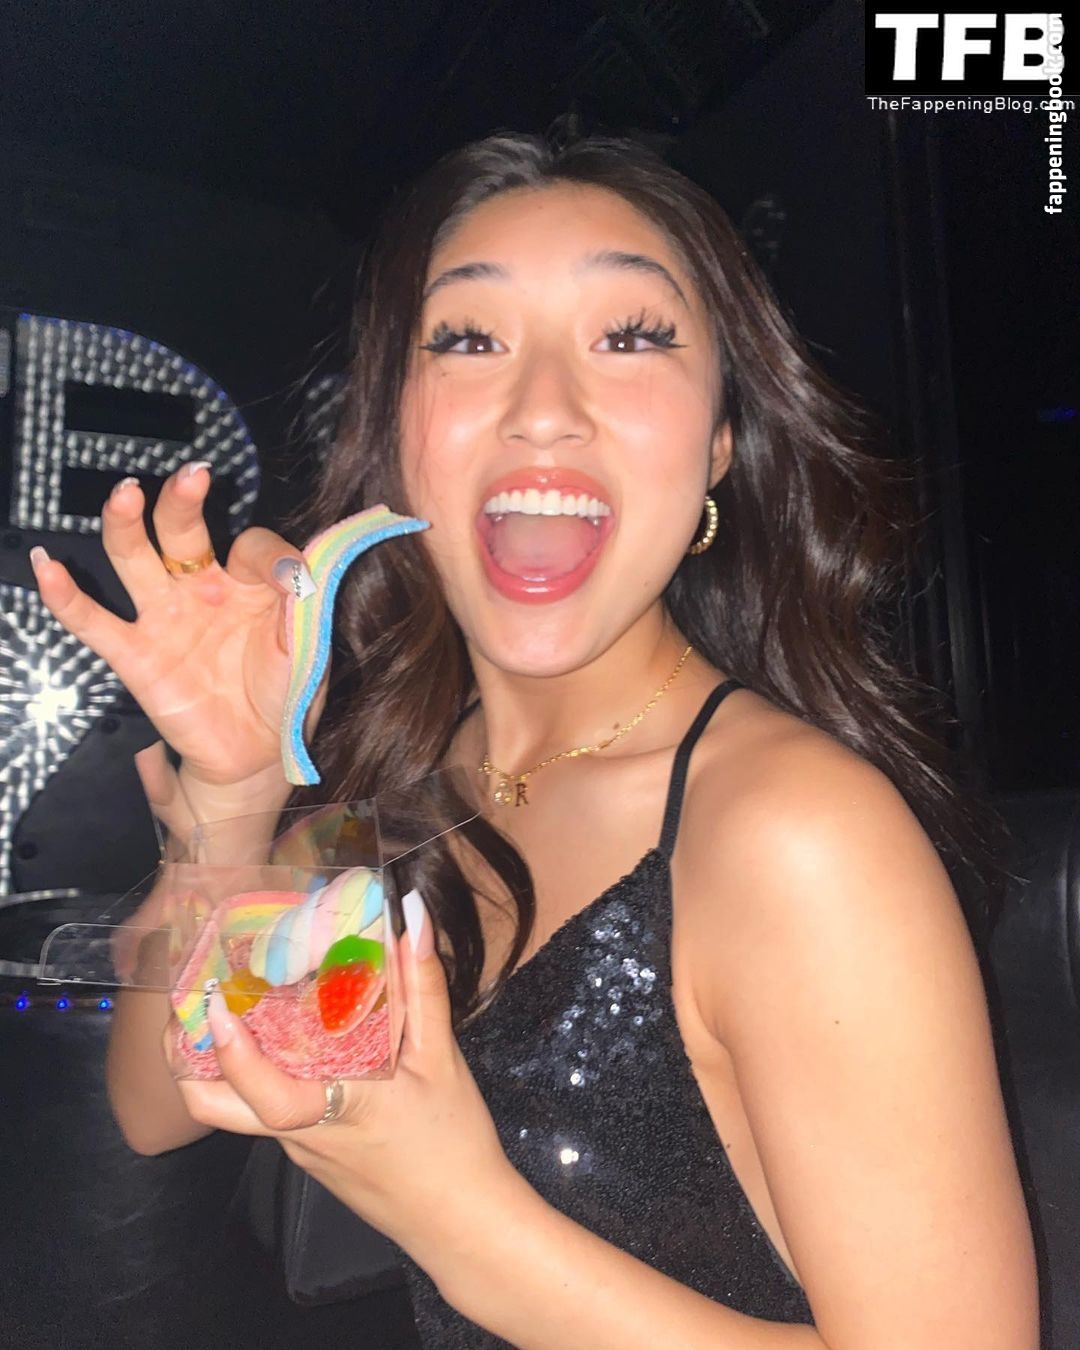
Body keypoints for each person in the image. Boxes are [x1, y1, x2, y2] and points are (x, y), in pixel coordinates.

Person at [31, 128, 1039, 1347]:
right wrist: (232, 790)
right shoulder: (411, 772)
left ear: (720, 444)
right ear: (398, 435)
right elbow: (157, 1100)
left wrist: (457, 1215)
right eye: (468, 340)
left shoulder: (797, 836)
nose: (544, 409)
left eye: (631, 336)